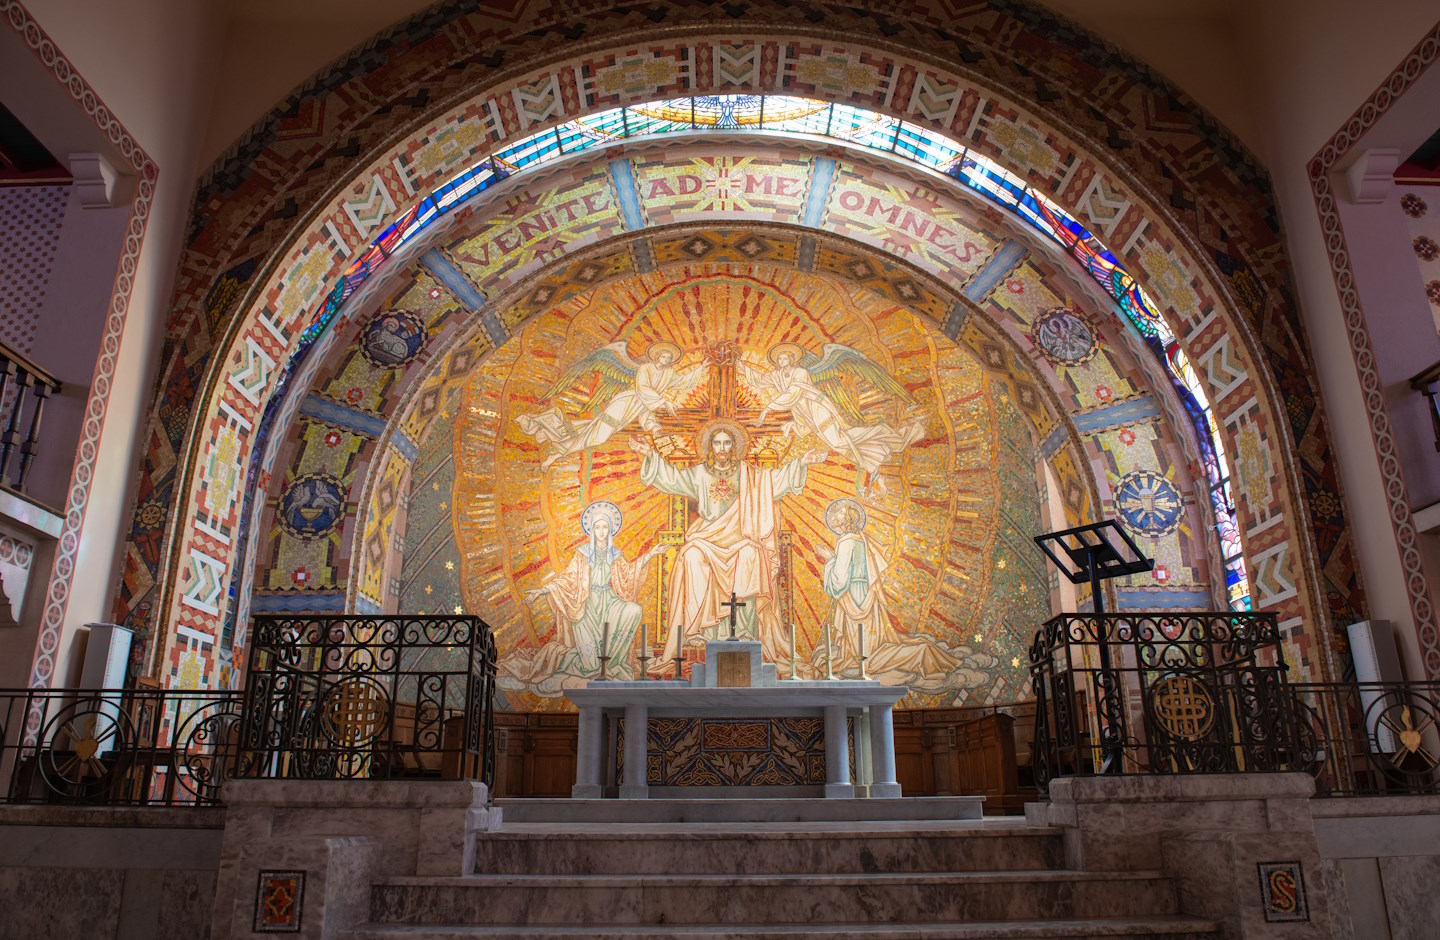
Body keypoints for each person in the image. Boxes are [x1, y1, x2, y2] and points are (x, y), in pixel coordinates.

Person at [629, 420, 827, 667]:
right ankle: (697, 630)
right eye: (717, 443)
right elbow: (673, 478)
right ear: (710, 446)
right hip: (706, 538)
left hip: (740, 537)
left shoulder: (749, 474)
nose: (722, 448)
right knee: (690, 556)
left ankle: (743, 629)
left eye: (727, 443)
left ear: (734, 446)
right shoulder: (699, 473)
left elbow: (773, 482)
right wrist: (650, 456)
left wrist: (801, 463)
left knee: (750, 555)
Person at [500, 501, 661, 695]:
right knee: (590, 664)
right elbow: (567, 579)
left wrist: (651, 554)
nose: (601, 531)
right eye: (598, 527)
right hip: (585, 605)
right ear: (592, 530)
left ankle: (614, 663)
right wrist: (542, 591)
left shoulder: (616, 555)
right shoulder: (582, 555)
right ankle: (564, 662)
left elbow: (629, 573)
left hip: (610, 602)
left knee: (634, 610)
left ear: (610, 530)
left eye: (605, 527)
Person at [739, 343, 923, 498]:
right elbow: (759, 379)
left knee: (839, 442)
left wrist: (768, 408)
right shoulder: (776, 375)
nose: (781, 362)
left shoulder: (800, 373)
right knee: (842, 441)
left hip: (818, 409)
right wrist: (739, 365)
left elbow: (793, 393)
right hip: (805, 416)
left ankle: (880, 449)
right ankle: (875, 460)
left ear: (792, 359)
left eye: (785, 358)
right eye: (779, 359)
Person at [816, 498, 963, 692]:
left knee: (867, 656)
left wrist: (829, 560)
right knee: (868, 649)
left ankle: (921, 654)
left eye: (838, 516)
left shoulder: (845, 542)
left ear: (842, 522)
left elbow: (840, 580)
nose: (835, 518)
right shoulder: (862, 538)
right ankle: (921, 652)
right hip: (868, 595)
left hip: (853, 597)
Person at [518, 341, 706, 469]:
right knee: (596, 436)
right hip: (624, 404)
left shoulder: (668, 374)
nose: (666, 360)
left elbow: (684, 382)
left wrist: (703, 367)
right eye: (664, 357)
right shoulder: (645, 369)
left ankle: (556, 449)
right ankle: (554, 448)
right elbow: (642, 389)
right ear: (657, 356)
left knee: (592, 433)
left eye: (669, 358)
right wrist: (664, 402)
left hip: (637, 409)